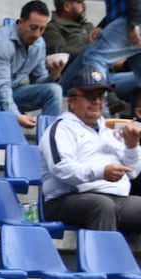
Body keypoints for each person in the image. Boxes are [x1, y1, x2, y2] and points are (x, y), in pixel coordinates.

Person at [39, 65, 141, 232]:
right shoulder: (61, 128)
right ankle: (102, 258)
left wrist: (132, 147)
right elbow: (61, 169)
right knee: (102, 206)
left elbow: (133, 172)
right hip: (66, 199)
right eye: (89, 96)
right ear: (71, 101)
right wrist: (102, 172)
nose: (97, 101)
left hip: (117, 198)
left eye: (101, 96)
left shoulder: (109, 130)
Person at [0, 0, 64, 129]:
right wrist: (15, 116)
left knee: (54, 90)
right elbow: (2, 85)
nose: (37, 34)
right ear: (20, 22)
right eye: (33, 27)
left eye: (42, 29)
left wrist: (54, 76)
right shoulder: (1, 43)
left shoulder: (39, 44)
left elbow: (39, 81)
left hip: (12, 90)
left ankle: (49, 138)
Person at [45, 0, 136, 109]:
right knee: (92, 53)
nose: (84, 6)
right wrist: (91, 48)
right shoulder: (53, 28)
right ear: (67, 6)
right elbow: (60, 54)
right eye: (79, 2)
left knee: (135, 78)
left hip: (104, 76)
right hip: (72, 80)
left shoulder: (88, 26)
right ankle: (105, 107)